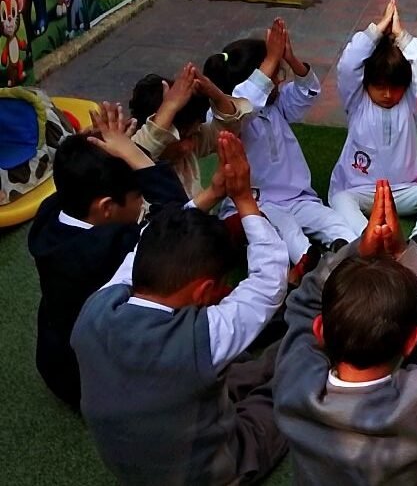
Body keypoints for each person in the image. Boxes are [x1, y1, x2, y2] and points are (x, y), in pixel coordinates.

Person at [71, 132, 289, 485]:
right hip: (205, 473)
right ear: (205, 290)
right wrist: (245, 199)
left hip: (133, 463)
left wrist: (213, 194)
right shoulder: (205, 338)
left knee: (234, 369)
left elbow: (142, 246)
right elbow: (268, 282)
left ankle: (271, 365)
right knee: (287, 391)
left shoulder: (95, 309)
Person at [274, 180, 417, 485]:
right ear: (412, 340)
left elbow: (302, 303)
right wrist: (405, 252)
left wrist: (357, 250)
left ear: (319, 330)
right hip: (416, 462)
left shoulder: (293, 383)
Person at [28, 102, 187, 409]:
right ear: (106, 207)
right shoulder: (112, 246)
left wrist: (90, 151)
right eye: (138, 197)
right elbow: (182, 225)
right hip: (96, 386)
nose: (142, 202)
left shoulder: (51, 215)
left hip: (57, 364)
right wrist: (133, 155)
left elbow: (75, 176)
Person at [203, 18, 357, 282]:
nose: (279, 81)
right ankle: (310, 265)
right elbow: (243, 106)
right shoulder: (223, 117)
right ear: (256, 79)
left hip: (297, 198)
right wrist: (270, 61)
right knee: (287, 230)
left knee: (334, 223)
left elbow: (308, 91)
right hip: (257, 203)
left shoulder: (277, 105)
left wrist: (290, 59)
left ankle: (350, 254)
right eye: (275, 74)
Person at [329, 0, 417, 251]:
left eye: (394, 88)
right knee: (339, 198)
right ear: (366, 83)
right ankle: (367, 237)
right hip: (361, 190)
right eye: (379, 87)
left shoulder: (409, 100)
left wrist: (401, 36)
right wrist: (376, 30)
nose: (387, 94)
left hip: (404, 190)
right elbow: (349, 65)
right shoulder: (357, 100)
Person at [129, 62, 254, 197]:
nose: (188, 147)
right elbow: (144, 146)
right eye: (179, 137)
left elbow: (227, 127)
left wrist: (214, 92)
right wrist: (169, 106)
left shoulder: (191, 149)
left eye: (192, 136)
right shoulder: (132, 164)